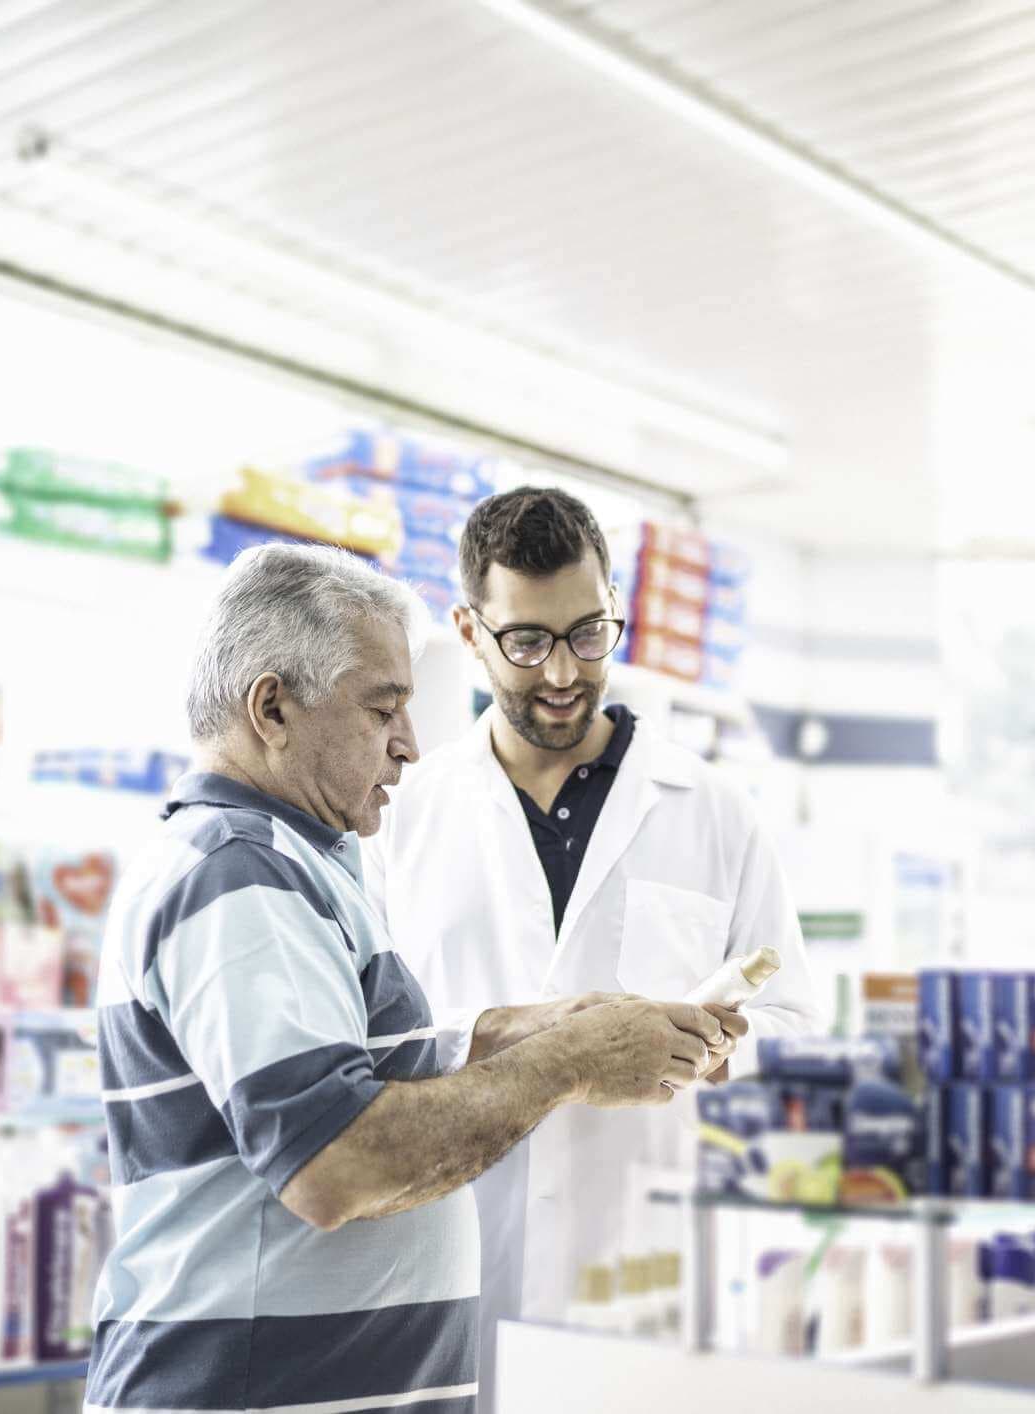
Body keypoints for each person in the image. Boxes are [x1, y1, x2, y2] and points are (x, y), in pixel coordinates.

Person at [86, 544, 739, 1414]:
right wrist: (570, 1061)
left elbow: (353, 1064)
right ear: (272, 707)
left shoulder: (302, 865)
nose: (409, 744)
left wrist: (530, 1029)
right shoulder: (237, 874)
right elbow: (334, 1161)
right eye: (383, 707)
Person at [369, 488, 822, 1404]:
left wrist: (731, 1048)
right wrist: (533, 1041)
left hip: (639, 1281)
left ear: (618, 608)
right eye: (527, 642)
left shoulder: (715, 812)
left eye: (588, 634)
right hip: (452, 1269)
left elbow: (797, 1021)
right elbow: (367, 1041)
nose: (565, 672)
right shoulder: (402, 815)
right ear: (468, 631)